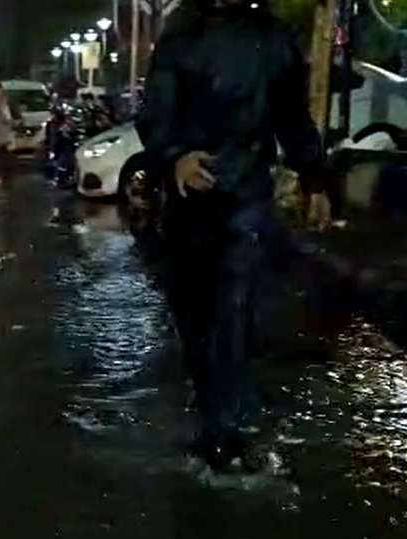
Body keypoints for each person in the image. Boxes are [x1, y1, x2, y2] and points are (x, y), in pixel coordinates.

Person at [142, 0, 329, 472]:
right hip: (190, 202)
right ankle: (217, 414)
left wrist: (315, 179)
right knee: (194, 313)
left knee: (233, 305)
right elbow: (156, 110)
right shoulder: (181, 31)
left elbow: (293, 115)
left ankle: (225, 430)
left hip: (245, 196)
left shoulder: (273, 38)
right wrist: (177, 156)